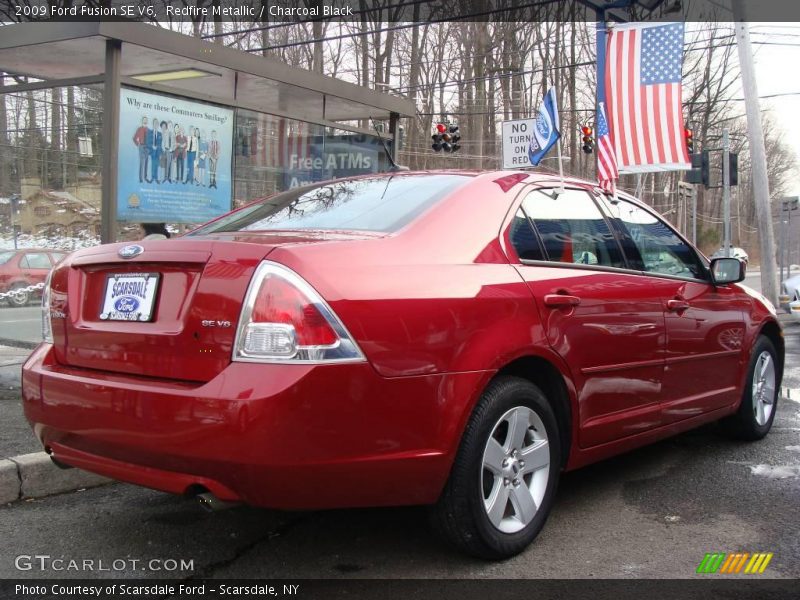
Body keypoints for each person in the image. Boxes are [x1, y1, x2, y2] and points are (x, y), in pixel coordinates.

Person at [133, 116, 150, 183]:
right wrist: (138, 144)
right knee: (142, 163)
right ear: (142, 121)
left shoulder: (149, 130)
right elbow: (134, 138)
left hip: (147, 148)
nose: (145, 121)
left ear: (147, 122)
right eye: (144, 120)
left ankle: (145, 177)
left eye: (146, 120)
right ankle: (141, 178)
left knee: (146, 163)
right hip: (141, 147)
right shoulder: (139, 129)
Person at [150, 118, 162, 184]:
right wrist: (152, 146)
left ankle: (156, 178)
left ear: (158, 125)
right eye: (155, 123)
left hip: (157, 152)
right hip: (152, 151)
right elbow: (148, 141)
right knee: (152, 165)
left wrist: (160, 153)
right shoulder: (150, 132)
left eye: (157, 124)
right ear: (153, 124)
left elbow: (160, 143)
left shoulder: (160, 134)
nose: (156, 125)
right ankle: (152, 178)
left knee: (157, 165)